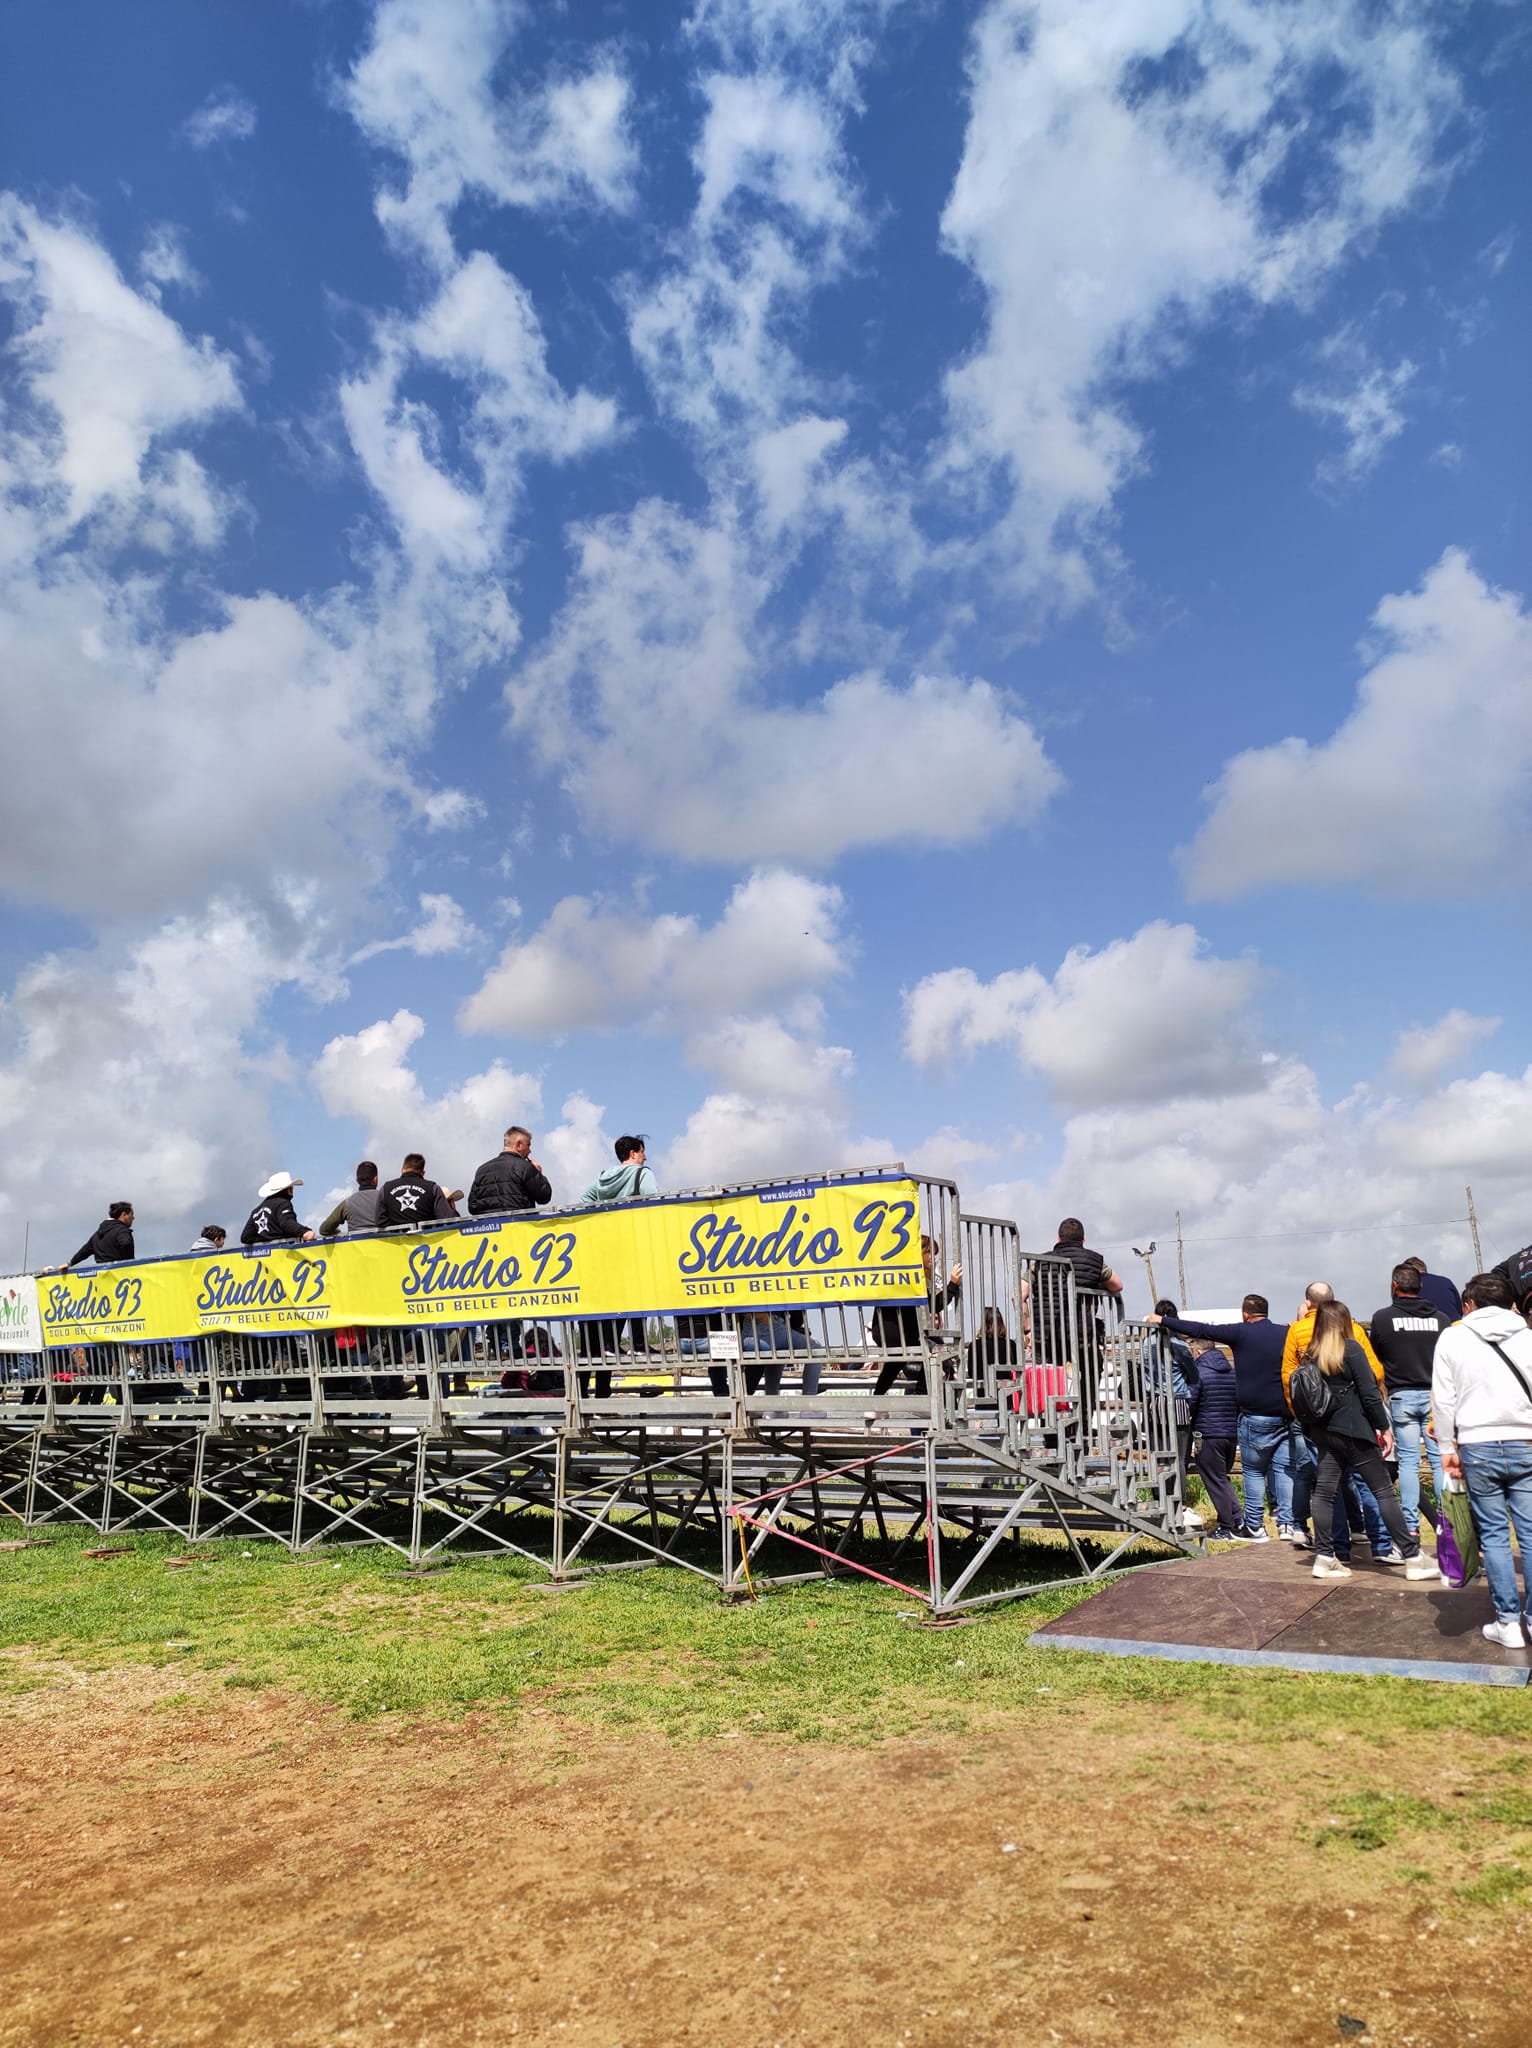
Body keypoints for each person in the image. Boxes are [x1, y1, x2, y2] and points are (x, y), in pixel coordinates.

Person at [1291, 1300, 1435, 1581]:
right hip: (1355, 1431)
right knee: (1383, 1492)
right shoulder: (1351, 1349)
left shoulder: (1312, 1353)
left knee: (1324, 1494)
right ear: (1345, 1322)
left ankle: (1324, 1557)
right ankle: (1413, 1558)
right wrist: (1384, 1428)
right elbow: (1369, 1394)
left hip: (1325, 1433)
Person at [1431, 1270, 1532, 1648]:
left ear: (1468, 1304)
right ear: (1511, 1304)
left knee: (1494, 1535)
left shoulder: (1453, 1337)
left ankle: (1508, 1623)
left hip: (1477, 1443)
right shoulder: (1527, 1336)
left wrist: (1447, 1447)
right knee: (1531, 1533)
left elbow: (1443, 1399)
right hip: (1526, 1440)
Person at [1151, 1293, 1293, 1538]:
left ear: (1245, 1315)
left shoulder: (1236, 1338)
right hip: (1272, 1418)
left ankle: (1245, 1524)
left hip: (1230, 1425)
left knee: (1244, 1473)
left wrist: (1163, 1321)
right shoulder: (1282, 1335)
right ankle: (1286, 1522)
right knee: (1280, 1470)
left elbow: (1202, 1330)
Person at [1281, 1282, 1391, 1559]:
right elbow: (1375, 1371)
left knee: (1328, 1486)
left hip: (1318, 1420)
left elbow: (1289, 1376)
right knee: (1369, 1482)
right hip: (1356, 1418)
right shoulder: (1352, 1330)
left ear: (1308, 1303)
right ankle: (1381, 1543)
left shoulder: (1297, 1331)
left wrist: (1300, 1411)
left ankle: (1336, 1548)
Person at [1370, 1262, 1452, 1540]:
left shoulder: (1382, 1318)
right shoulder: (1441, 1319)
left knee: (1407, 1461)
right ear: (1420, 1286)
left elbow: (1377, 1355)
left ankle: (1411, 1525)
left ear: (1395, 1286)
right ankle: (1445, 1521)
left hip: (1401, 1395)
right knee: (1439, 1461)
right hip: (1435, 1396)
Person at [871, 1235, 962, 1395]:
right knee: (942, 1352)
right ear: (919, 1253)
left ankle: (877, 1397)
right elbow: (934, 1305)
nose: (932, 1259)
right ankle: (921, 1393)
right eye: (929, 1253)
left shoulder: (894, 1273)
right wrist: (953, 1284)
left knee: (897, 1361)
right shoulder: (913, 1278)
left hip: (882, 1334)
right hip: (902, 1335)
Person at [1032, 1218, 1123, 1373]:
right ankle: (1088, 1390)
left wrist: (1027, 1328)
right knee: (1092, 1370)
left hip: (1045, 1334)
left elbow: (1020, 1293)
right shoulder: (1095, 1261)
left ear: (1059, 1238)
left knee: (1047, 1376)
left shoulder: (1040, 1262)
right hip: (1081, 1333)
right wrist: (1097, 1285)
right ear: (1083, 1239)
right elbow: (1117, 1285)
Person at [1145, 1299, 1201, 1515]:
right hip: (1177, 1401)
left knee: (1158, 1453)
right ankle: (1179, 1500)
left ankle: (1159, 1497)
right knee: (1179, 1456)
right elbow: (1194, 1376)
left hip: (1154, 1401)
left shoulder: (1146, 1343)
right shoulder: (1180, 1345)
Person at [1186, 1338, 1243, 1539]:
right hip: (1231, 1433)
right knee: (1221, 1478)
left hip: (1208, 1433)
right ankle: (1237, 1517)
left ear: (1198, 1352)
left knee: (1214, 1480)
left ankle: (1227, 1526)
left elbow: (1191, 1403)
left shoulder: (1199, 1372)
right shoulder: (1232, 1372)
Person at [467, 1127, 552, 1215]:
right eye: (528, 1145)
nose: (530, 1151)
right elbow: (544, 1197)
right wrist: (539, 1173)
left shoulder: (481, 1170)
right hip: (520, 1222)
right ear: (519, 1145)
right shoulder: (525, 1167)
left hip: (488, 1223)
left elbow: (473, 1207)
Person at [377, 1153, 460, 1228]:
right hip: (427, 1239)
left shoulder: (385, 1188)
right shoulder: (432, 1188)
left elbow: (380, 1221)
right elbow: (448, 1220)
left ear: (402, 1170)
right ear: (423, 1173)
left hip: (396, 1239)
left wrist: (396, 1230)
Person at [240, 1174, 315, 1246]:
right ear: (286, 1189)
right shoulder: (283, 1203)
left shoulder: (256, 1211)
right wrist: (304, 1232)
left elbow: (245, 1237)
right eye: (291, 1187)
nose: (292, 1189)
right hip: (285, 1251)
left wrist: (265, 1241)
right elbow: (287, 1223)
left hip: (265, 1254)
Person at [582, 1135, 658, 1205]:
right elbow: (655, 1202)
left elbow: (585, 1198)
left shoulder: (603, 1178)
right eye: (642, 1152)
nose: (645, 1157)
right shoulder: (643, 1173)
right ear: (632, 1154)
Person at [64, 1201, 135, 1267]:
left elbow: (84, 1252)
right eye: (131, 1215)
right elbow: (126, 1243)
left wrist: (70, 1264)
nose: (133, 1218)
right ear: (124, 1215)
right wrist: (130, 1263)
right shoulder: (122, 1230)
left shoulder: (97, 1235)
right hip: (121, 1273)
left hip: (101, 1274)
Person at [319, 1163, 381, 1237]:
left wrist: (339, 1233)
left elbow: (324, 1229)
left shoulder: (348, 1203)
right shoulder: (385, 1198)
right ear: (375, 1179)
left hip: (357, 1244)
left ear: (357, 1180)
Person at [1403, 1255, 1462, 1324]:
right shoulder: (1446, 1281)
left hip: (1430, 1326)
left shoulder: (1410, 1286)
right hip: (1455, 1324)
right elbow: (1460, 1310)